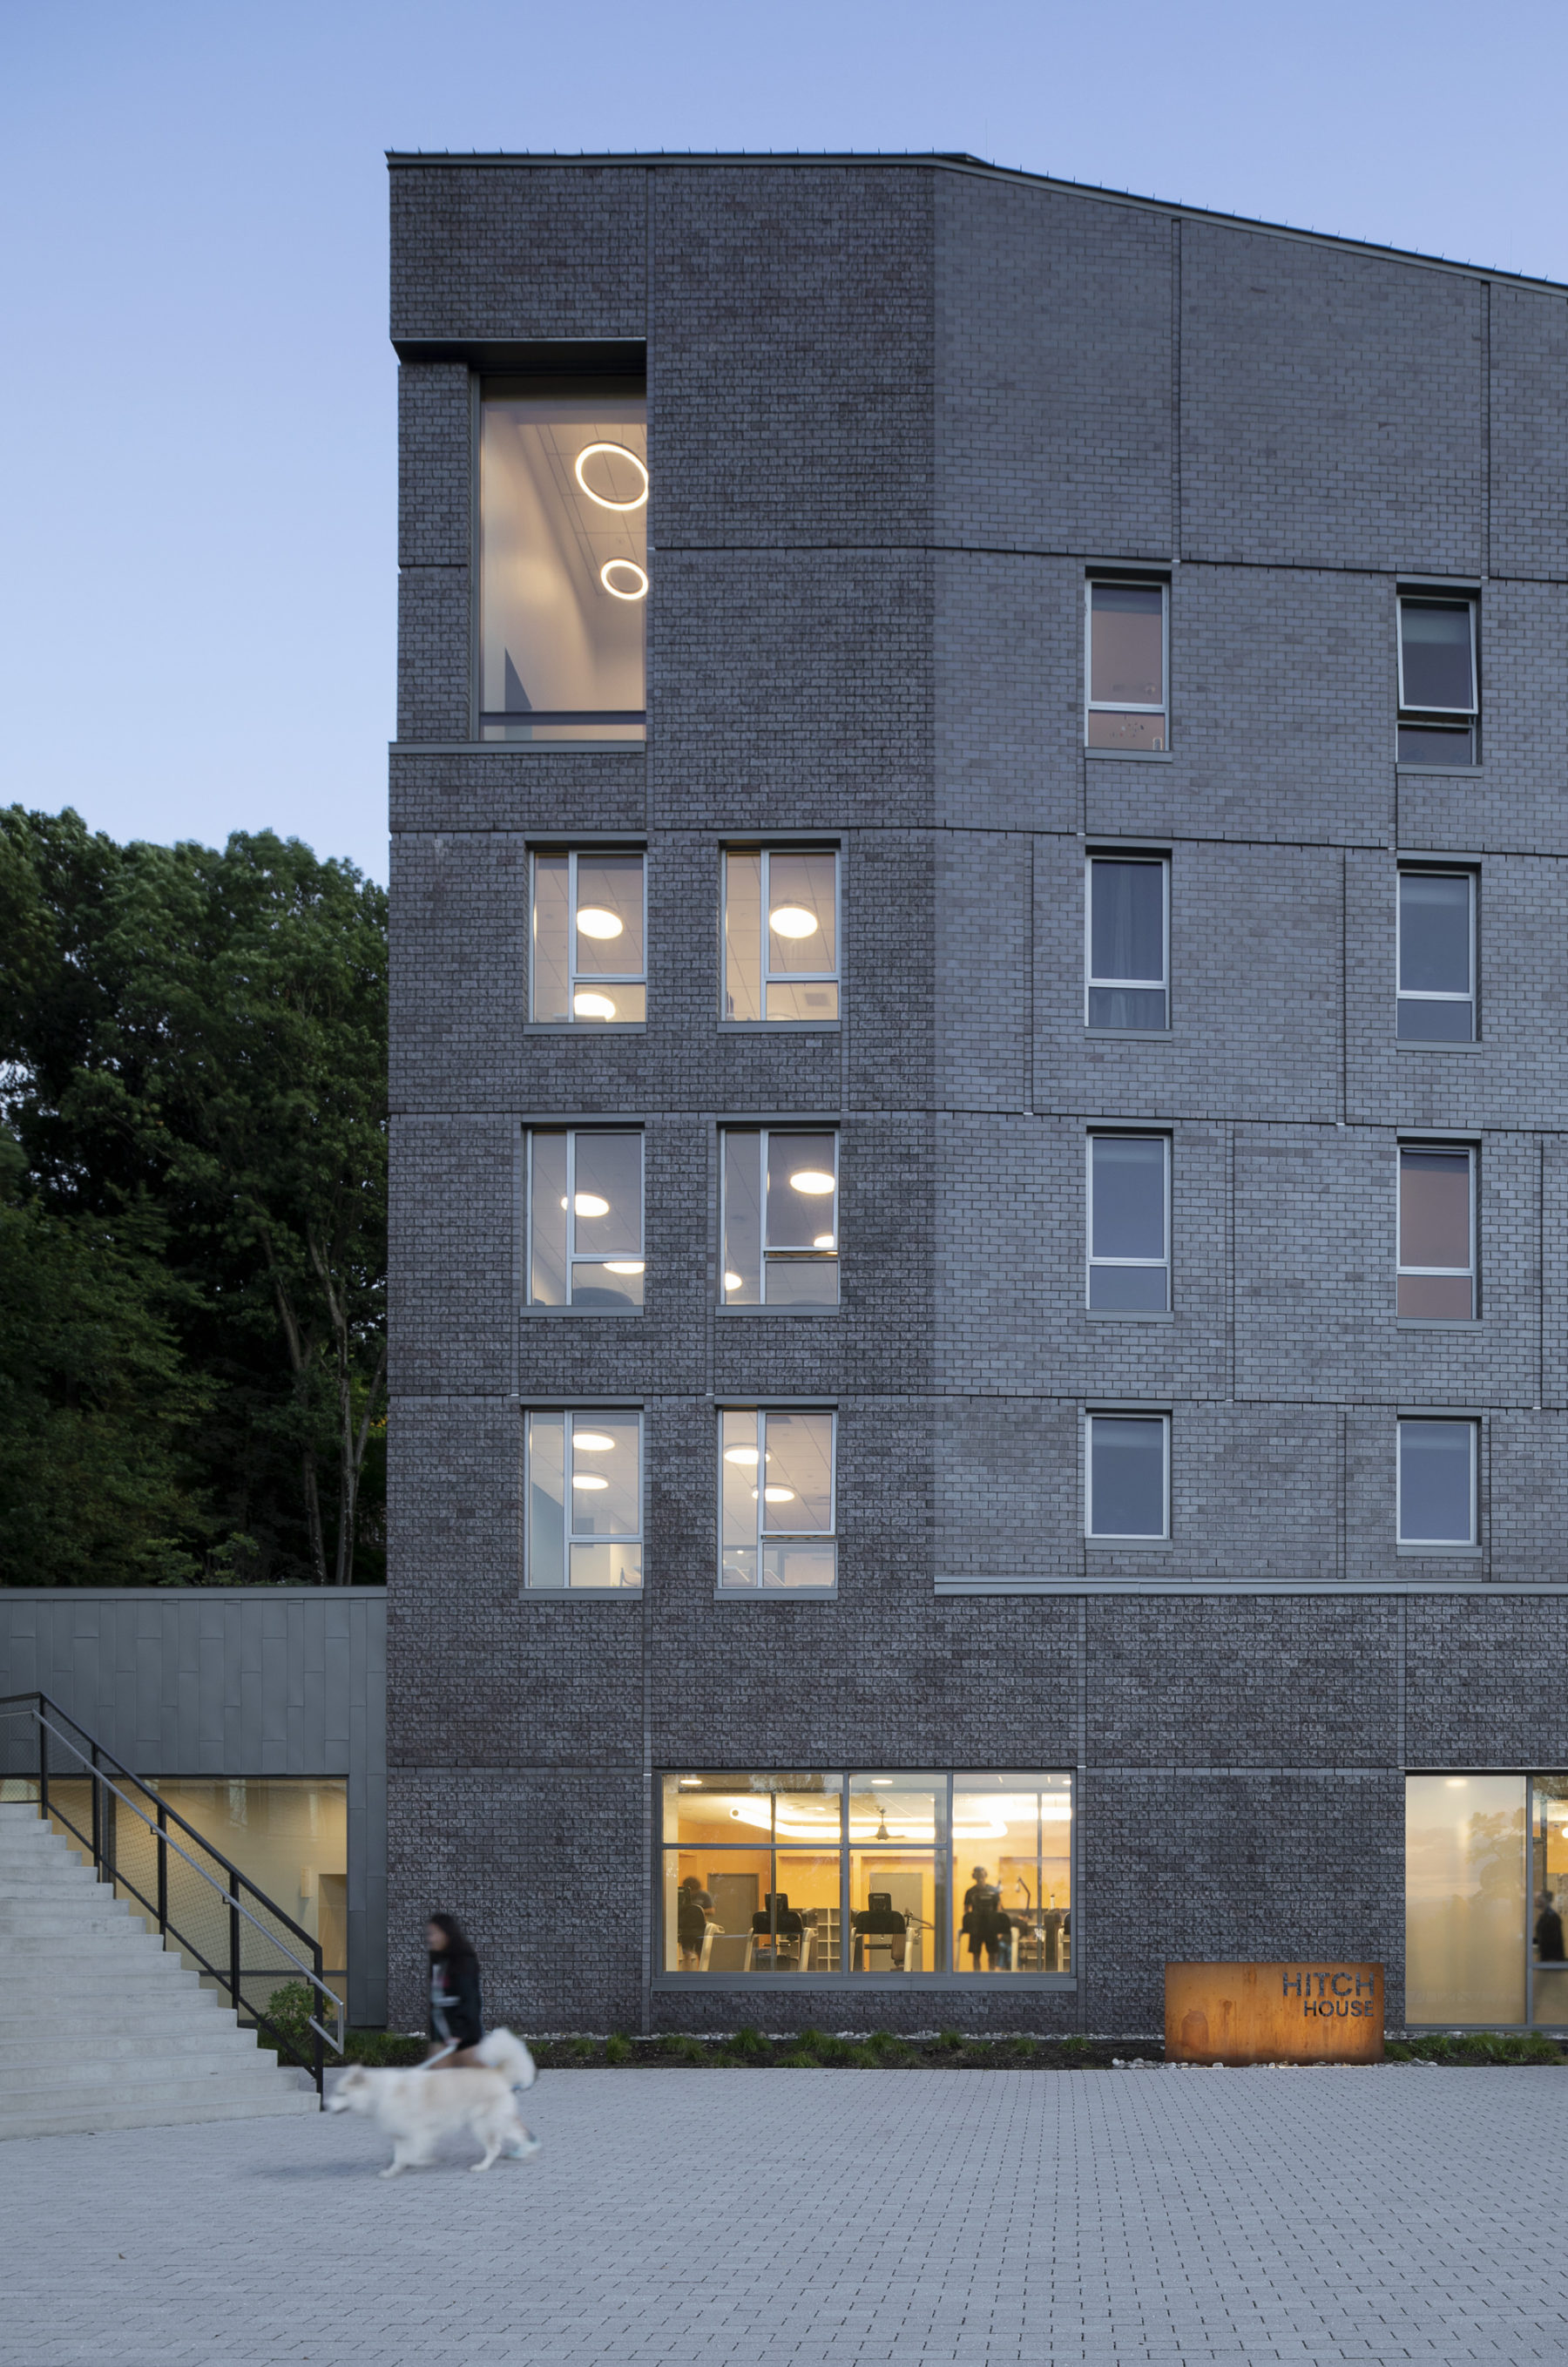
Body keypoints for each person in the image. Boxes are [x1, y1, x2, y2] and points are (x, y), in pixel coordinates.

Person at [426, 1913, 485, 2066]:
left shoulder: (463, 1962)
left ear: (447, 1934)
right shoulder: (437, 1963)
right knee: (438, 2084)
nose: (431, 1938)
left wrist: (460, 2033)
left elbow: (471, 1999)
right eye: (429, 1934)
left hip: (465, 2038)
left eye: (435, 1933)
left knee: (474, 2083)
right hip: (441, 2035)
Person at [962, 1866, 1005, 1971]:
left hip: (991, 1927)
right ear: (974, 1877)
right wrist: (968, 1926)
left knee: (992, 1955)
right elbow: (966, 1910)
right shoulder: (970, 1892)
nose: (980, 1878)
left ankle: (992, 1979)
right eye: (978, 1876)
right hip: (976, 1928)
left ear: (985, 1875)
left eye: (982, 1875)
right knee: (976, 1955)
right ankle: (977, 1979)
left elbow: (999, 1909)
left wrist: (1000, 1928)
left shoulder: (994, 1891)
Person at [677, 1876, 713, 1969]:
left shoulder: (704, 1895)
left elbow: (711, 1910)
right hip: (686, 1929)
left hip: (700, 1928)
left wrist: (697, 1911)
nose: (692, 1892)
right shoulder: (682, 1895)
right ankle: (686, 1977)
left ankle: (701, 1975)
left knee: (700, 1954)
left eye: (694, 1890)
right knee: (687, 1955)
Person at [1536, 1890, 1565, 1963]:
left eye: (1539, 1898)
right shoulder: (1544, 1915)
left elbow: (1553, 1940)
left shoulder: (1552, 1917)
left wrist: (1551, 1960)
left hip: (1552, 1960)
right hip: (1546, 1958)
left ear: (1545, 1900)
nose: (1536, 1900)